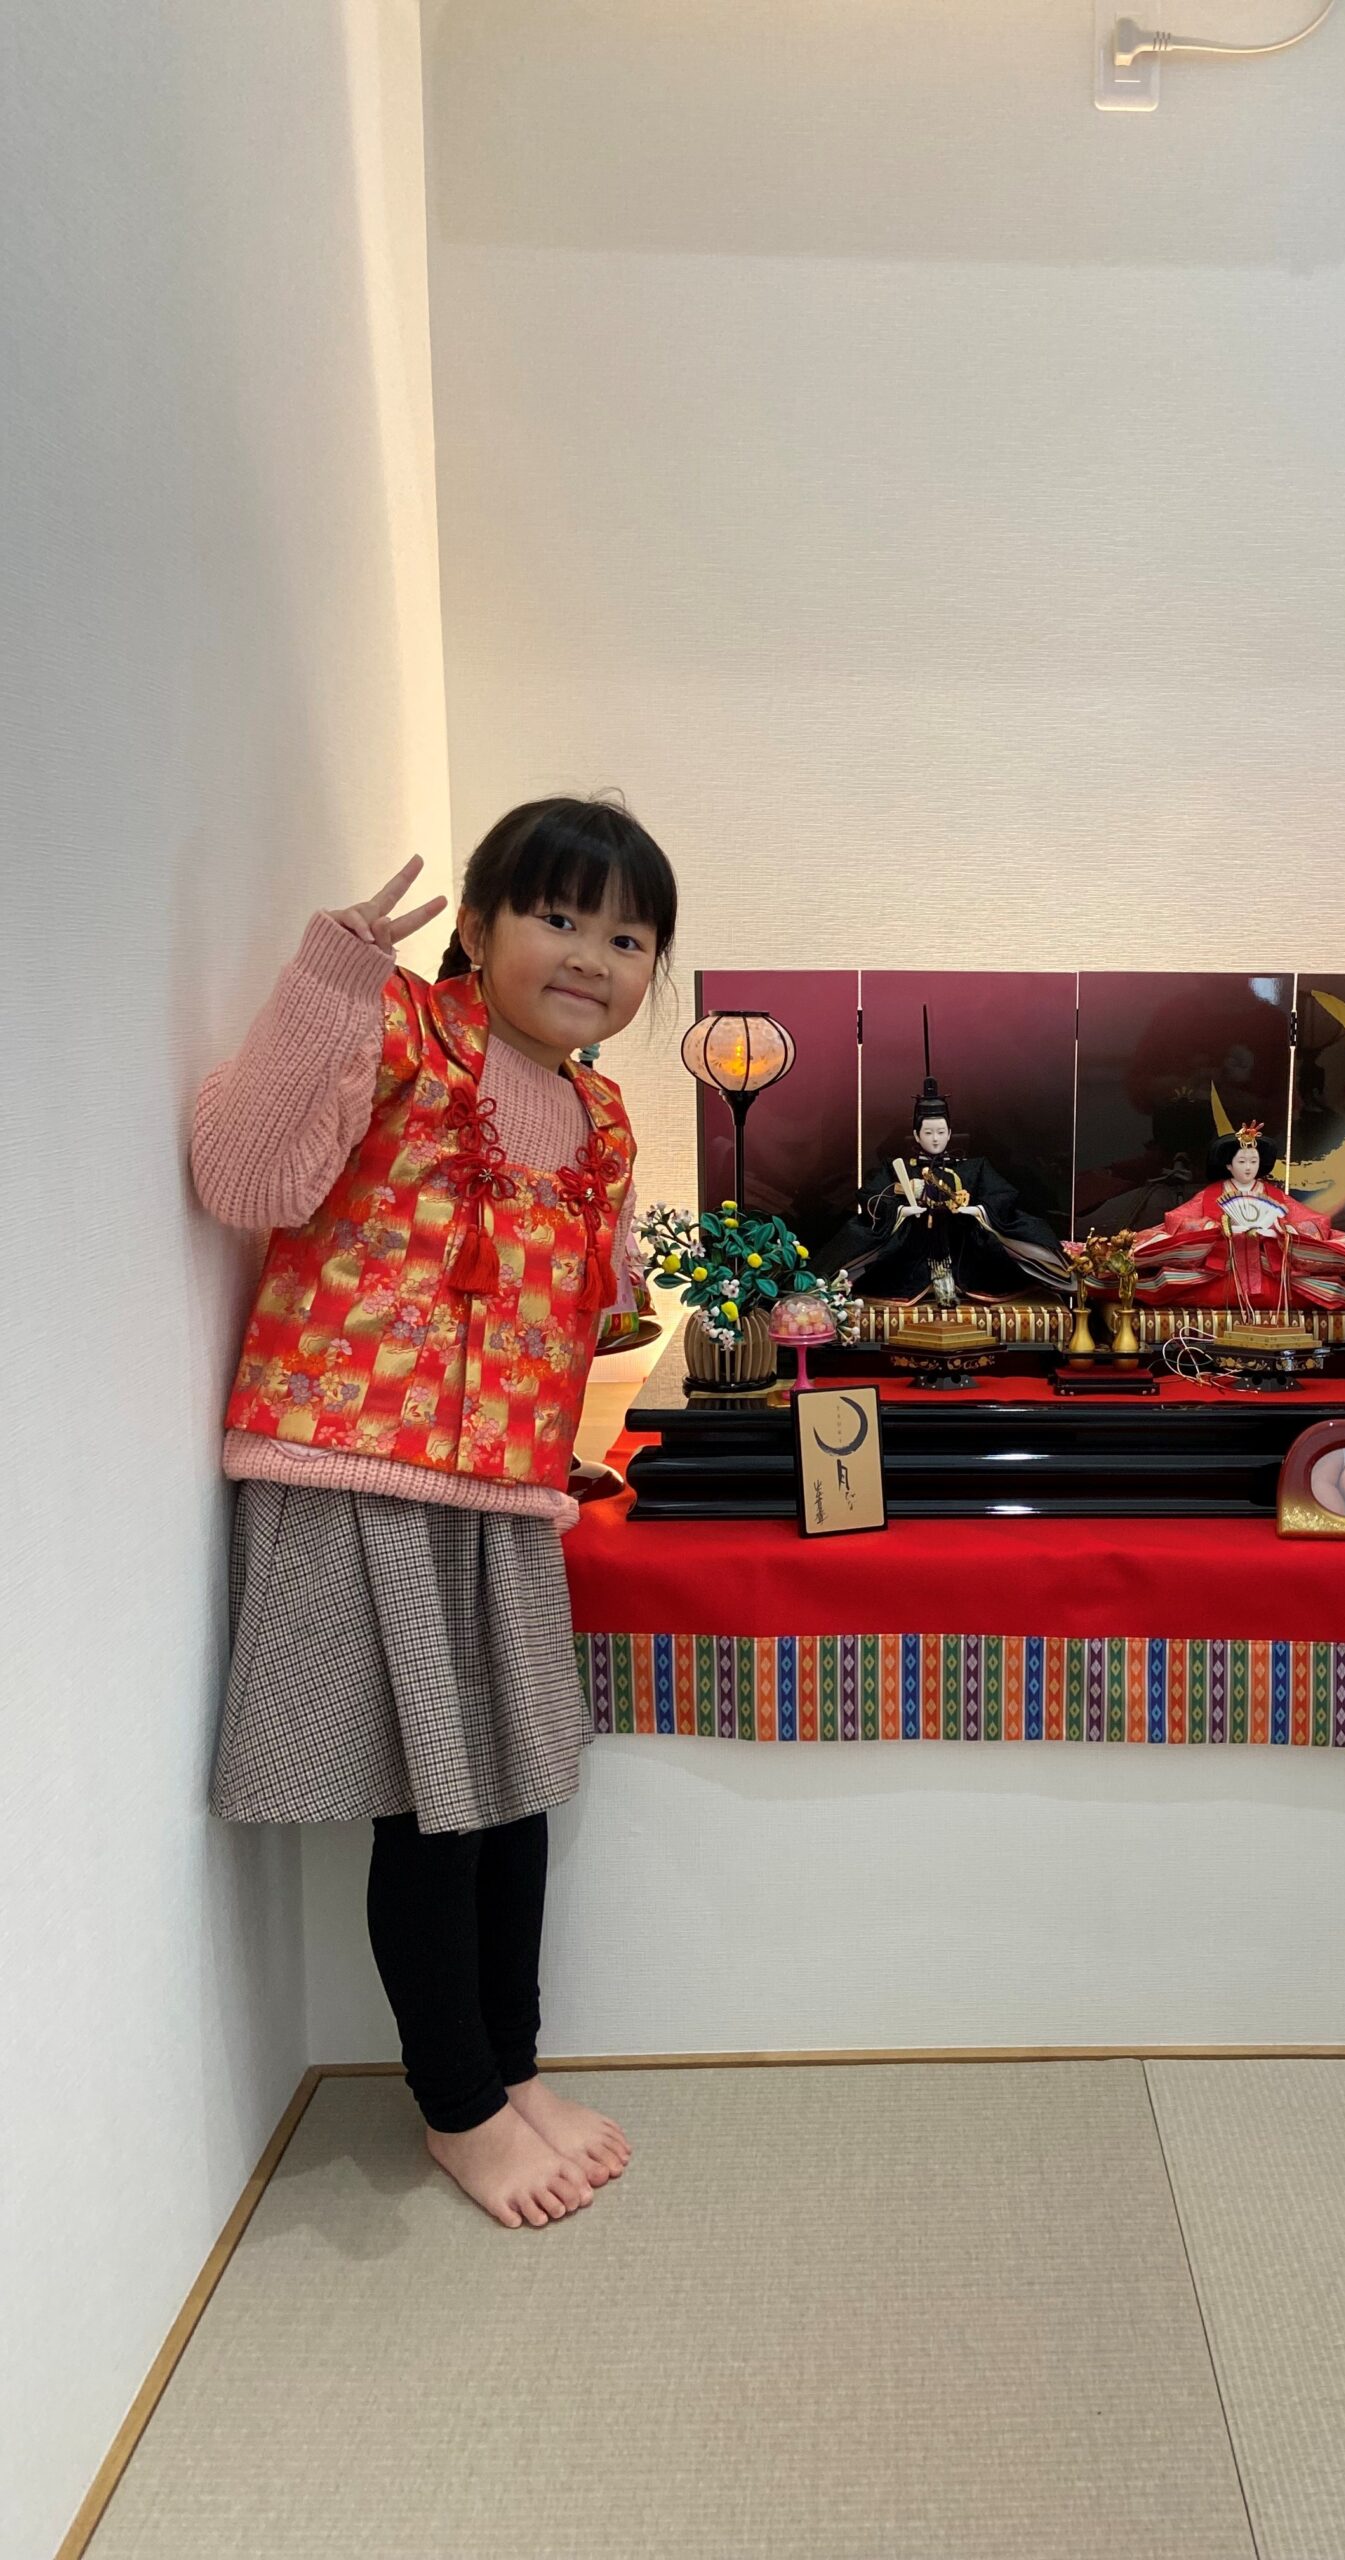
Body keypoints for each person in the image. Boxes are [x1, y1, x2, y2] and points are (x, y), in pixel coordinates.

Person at [193, 797, 676, 2230]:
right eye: (557, 915)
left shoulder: (602, 1112)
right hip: (357, 1473)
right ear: (475, 925)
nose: (590, 955)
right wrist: (328, 977)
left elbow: (588, 1307)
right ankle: (458, 2105)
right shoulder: (397, 1027)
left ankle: (511, 2069)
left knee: (512, 1795)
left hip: (507, 1498)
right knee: (431, 1821)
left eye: (627, 937)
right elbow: (242, 1177)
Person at [827, 1078, 1073, 1304]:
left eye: (941, 1132)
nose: (935, 1139)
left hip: (964, 1250)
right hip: (910, 1253)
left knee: (1010, 1242)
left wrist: (978, 1210)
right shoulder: (896, 1168)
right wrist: (900, 1211)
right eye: (928, 1133)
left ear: (950, 1134)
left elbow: (1002, 1195)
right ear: (916, 1135)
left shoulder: (973, 1168)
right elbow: (870, 1196)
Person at [1129, 1123, 1345, 1316]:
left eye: (1253, 1161)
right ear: (1228, 1165)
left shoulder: (1274, 1196)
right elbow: (1177, 1221)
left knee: (1317, 1290)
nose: (1248, 1167)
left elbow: (1315, 1223)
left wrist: (1279, 1231)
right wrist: (1217, 1228)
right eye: (1242, 1161)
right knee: (1181, 1286)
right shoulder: (1210, 1196)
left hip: (1270, 1272)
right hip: (1222, 1272)